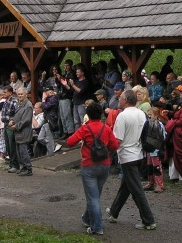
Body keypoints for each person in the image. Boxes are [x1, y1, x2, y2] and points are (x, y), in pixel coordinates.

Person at [105, 89, 156, 230]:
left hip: (127, 156)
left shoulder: (122, 116)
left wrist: (109, 154)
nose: (119, 99)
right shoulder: (142, 114)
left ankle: (148, 220)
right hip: (139, 154)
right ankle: (114, 212)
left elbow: (117, 140)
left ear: (126, 100)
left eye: (121, 97)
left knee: (136, 190)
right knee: (126, 186)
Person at [67, 103, 119, 235]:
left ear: (88, 114)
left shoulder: (85, 128)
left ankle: (97, 227)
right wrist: (107, 153)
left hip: (89, 165)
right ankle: (87, 218)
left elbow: (69, 142)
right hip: (104, 165)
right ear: (101, 114)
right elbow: (114, 145)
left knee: (92, 197)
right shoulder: (106, 128)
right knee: (95, 195)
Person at [162, 85, 182, 183]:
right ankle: (174, 175)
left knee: (181, 155)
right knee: (175, 154)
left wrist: (171, 122)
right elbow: (178, 114)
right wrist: (170, 113)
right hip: (178, 132)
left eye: (180, 92)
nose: (179, 94)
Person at [8, 88, 34, 176]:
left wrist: (16, 126)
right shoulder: (19, 104)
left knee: (23, 151)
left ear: (26, 94)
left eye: (21, 94)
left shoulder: (28, 105)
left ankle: (28, 168)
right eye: (18, 94)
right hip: (18, 132)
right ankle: (23, 167)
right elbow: (17, 115)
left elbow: (26, 120)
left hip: (24, 131)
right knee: (19, 151)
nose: (20, 96)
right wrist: (12, 121)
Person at [142, 107, 166, 193]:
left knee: (156, 166)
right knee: (149, 166)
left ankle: (159, 185)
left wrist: (158, 148)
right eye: (148, 115)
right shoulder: (147, 124)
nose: (149, 117)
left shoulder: (159, 125)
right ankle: (150, 182)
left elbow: (162, 137)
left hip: (156, 149)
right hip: (148, 148)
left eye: (151, 115)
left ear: (156, 116)